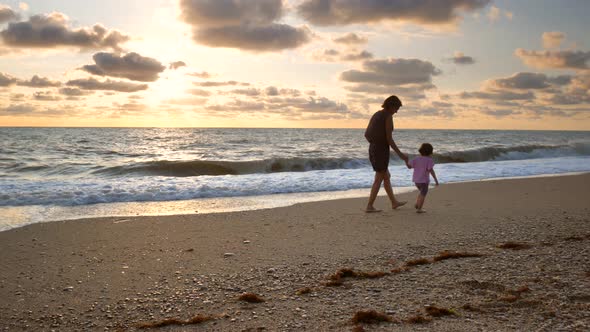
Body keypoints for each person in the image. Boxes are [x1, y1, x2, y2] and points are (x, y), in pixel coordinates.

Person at [364, 95, 409, 213]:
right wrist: (401, 155)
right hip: (381, 151)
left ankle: (394, 202)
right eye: (396, 108)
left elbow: (367, 134)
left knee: (386, 176)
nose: (397, 111)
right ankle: (369, 206)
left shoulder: (376, 114)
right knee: (379, 179)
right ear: (391, 106)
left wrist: (375, 143)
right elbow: (389, 139)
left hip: (373, 149)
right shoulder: (388, 116)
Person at [406, 143, 439, 213]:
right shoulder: (429, 160)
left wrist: (406, 161)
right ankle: (419, 209)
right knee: (423, 194)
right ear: (430, 152)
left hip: (416, 181)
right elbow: (431, 171)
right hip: (424, 181)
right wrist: (436, 180)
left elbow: (409, 167)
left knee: (421, 193)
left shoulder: (416, 159)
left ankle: (417, 204)